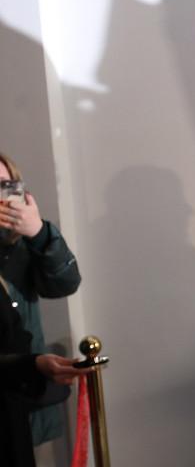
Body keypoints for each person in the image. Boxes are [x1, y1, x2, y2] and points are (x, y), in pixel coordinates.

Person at [0, 152, 82, 447]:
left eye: (5, 185)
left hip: (27, 390)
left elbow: (65, 284)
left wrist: (38, 233)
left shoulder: (20, 242)